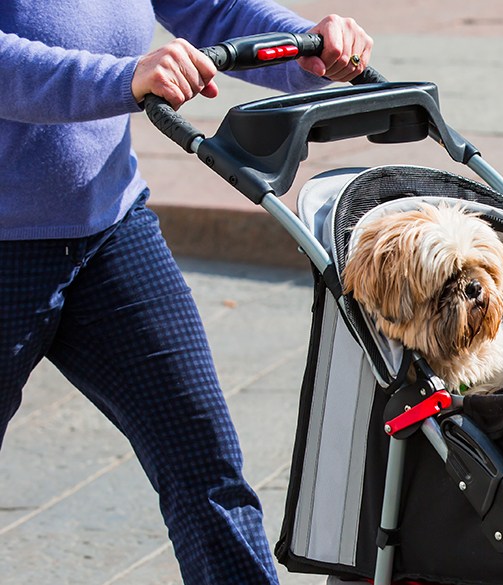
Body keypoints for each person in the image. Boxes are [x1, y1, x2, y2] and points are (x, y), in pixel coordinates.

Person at [0, 2, 372, 584]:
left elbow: (212, 7)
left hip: (108, 231)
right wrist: (121, 78)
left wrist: (307, 45)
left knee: (206, 468)